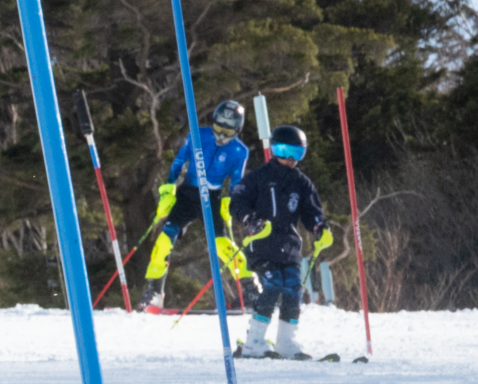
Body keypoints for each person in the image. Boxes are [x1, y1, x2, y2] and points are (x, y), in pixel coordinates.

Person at [235, 124, 334, 359]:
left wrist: (320, 227)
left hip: (289, 247)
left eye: (296, 154)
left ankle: (286, 342)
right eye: (283, 152)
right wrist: (250, 220)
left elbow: (312, 211)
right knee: (272, 286)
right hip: (262, 244)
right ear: (273, 150)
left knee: (292, 289)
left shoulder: (301, 183)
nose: (289, 159)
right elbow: (237, 202)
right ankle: (253, 342)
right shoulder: (258, 178)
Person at [141, 98, 250, 311]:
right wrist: (168, 190)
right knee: (164, 239)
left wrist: (230, 202)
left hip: (212, 198)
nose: (221, 136)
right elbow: (179, 163)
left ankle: (250, 288)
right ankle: (154, 291)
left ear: (237, 130)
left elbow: (236, 180)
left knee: (222, 244)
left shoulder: (239, 151)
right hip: (187, 195)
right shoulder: (198, 136)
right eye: (219, 128)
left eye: (228, 132)